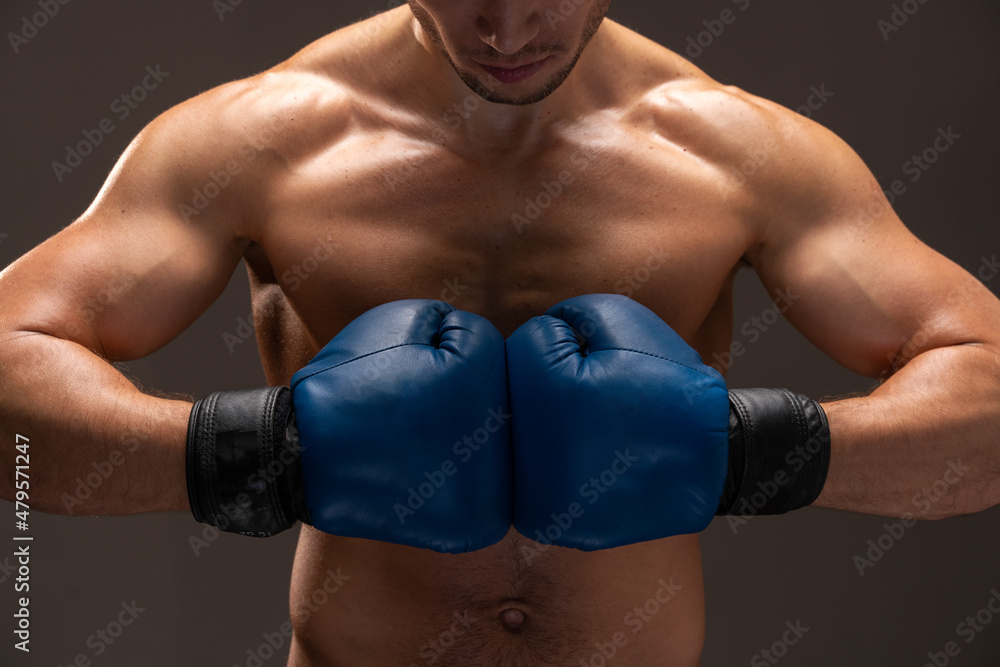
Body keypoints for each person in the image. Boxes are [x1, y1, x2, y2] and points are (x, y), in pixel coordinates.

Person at [2, 2, 999, 665]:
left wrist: (742, 453)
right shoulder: (259, 140)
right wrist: (257, 455)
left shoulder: (736, 152)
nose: (508, 24)